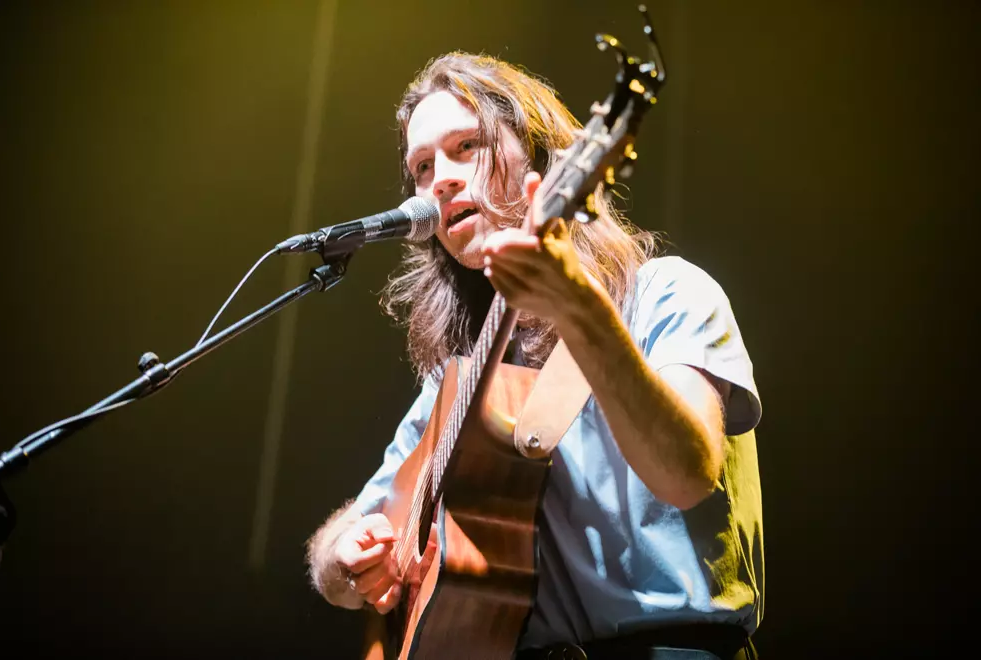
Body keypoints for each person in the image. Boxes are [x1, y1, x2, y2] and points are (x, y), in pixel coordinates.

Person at [306, 52, 764, 660]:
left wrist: (582, 313)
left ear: (543, 160)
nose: (438, 178)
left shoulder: (667, 294)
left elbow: (687, 474)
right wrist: (344, 555)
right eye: (420, 166)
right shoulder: (463, 379)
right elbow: (342, 549)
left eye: (466, 145)